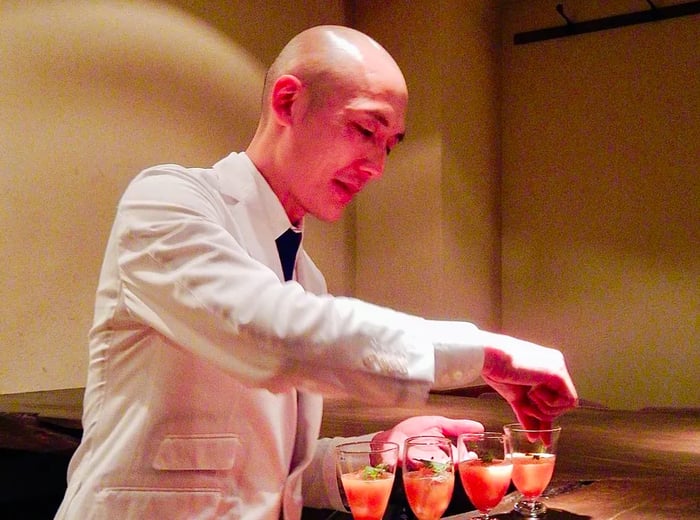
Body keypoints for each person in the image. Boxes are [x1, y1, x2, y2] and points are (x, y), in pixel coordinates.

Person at [55, 25, 577, 520]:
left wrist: (374, 451)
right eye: (366, 129)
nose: (376, 165)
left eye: (389, 144)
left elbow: (271, 474)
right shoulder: (166, 201)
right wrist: (485, 352)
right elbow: (270, 332)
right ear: (287, 102)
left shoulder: (305, 274)